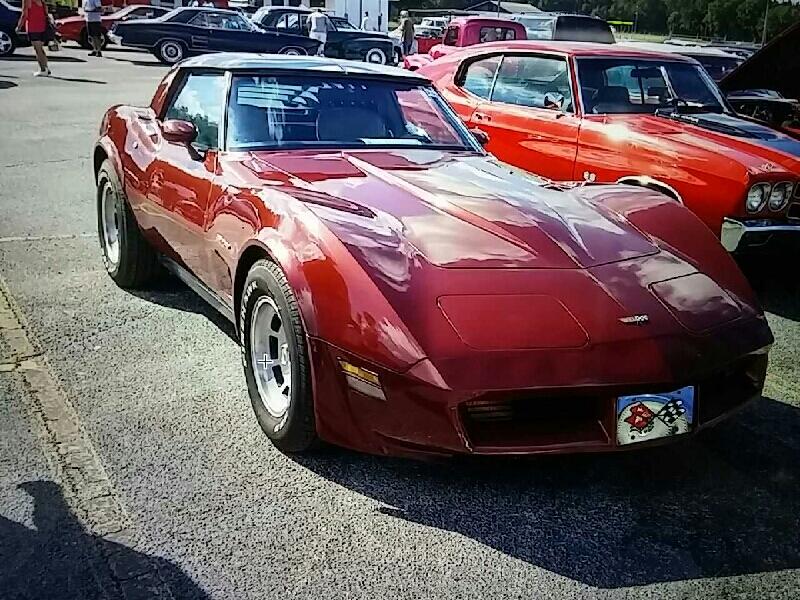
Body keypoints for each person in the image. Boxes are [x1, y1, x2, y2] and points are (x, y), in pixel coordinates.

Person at [17, 0, 50, 76]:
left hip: (33, 27)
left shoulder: (27, 0)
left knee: (38, 49)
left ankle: (43, 69)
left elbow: (24, 15)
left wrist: (18, 27)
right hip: (43, 26)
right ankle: (46, 68)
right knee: (40, 49)